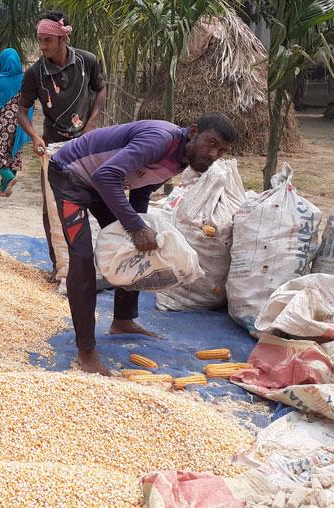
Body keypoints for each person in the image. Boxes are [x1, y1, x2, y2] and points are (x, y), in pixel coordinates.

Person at [48, 113, 236, 376]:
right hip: (70, 174)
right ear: (193, 131)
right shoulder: (161, 139)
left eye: (222, 151)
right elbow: (107, 176)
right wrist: (136, 227)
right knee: (81, 259)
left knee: (136, 250)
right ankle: (86, 350)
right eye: (211, 143)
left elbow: (142, 189)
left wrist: (140, 233)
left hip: (99, 183)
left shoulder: (183, 160)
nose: (214, 154)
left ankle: (123, 320)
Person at [17, 10, 106, 281]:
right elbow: (22, 110)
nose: (42, 46)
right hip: (54, 147)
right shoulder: (35, 74)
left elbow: (100, 89)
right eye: (40, 40)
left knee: (93, 201)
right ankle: (60, 264)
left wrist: (91, 123)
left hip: (86, 144)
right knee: (53, 208)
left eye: (47, 40)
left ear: (62, 39)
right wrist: (34, 136)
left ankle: (96, 263)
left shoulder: (87, 62)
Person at [0, 48, 33, 197]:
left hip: (2, 125)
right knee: (12, 152)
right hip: (21, 124)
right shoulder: (25, 79)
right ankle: (4, 188)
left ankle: (8, 177)